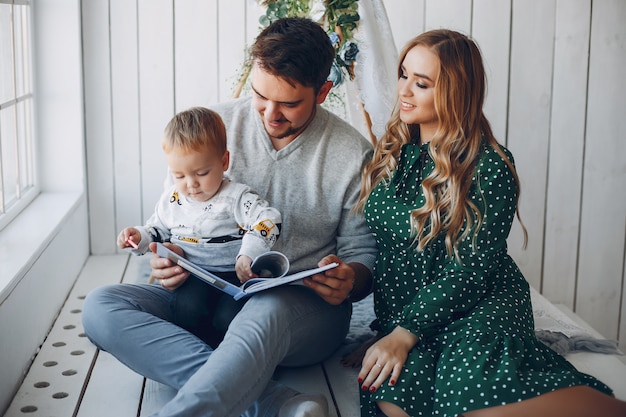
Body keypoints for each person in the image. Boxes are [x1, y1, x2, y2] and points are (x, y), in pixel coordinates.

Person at [82, 16, 377, 417]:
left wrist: (350, 279)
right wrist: (164, 258)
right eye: (260, 95)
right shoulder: (210, 128)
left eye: (289, 104)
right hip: (204, 297)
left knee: (264, 309)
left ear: (323, 91)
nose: (270, 114)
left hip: (300, 311)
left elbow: (363, 254)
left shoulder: (352, 153)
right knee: (101, 307)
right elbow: (173, 215)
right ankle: (272, 402)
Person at [353, 29, 626, 417]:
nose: (405, 91)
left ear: (454, 91)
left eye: (422, 83)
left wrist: (405, 332)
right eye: (403, 75)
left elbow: (471, 269)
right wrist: (392, 330)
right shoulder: (391, 151)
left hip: (478, 301)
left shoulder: (489, 165)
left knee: (469, 395)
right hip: (409, 311)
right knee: (389, 394)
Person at [116, 106, 282, 339]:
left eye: (202, 173)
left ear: (224, 161)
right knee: (187, 311)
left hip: (234, 276)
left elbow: (269, 220)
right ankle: (197, 353)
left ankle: (228, 356)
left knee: (228, 318)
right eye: (180, 176)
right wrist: (137, 236)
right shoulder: (172, 199)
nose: (191, 184)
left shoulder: (236, 197)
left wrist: (249, 254)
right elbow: (157, 231)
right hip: (193, 274)